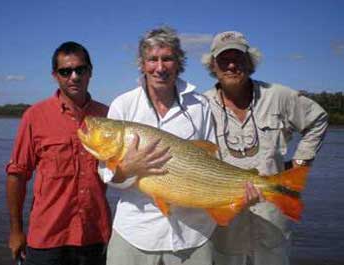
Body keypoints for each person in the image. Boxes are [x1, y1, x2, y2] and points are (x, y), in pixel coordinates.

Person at [202, 31, 328, 265]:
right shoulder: (201, 105)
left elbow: (318, 119)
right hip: (225, 221)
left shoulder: (279, 96)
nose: (231, 65)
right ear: (213, 66)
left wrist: (301, 161)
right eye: (223, 59)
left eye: (238, 58)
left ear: (249, 62)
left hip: (272, 217)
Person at [98, 26, 221, 265]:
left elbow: (212, 163)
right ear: (142, 64)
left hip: (194, 234)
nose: (160, 67)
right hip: (135, 231)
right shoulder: (123, 105)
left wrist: (239, 193)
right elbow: (106, 174)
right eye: (152, 59)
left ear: (179, 63)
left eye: (167, 59)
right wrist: (128, 168)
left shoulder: (200, 105)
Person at [6, 41, 111, 265]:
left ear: (90, 72)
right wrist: (16, 231)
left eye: (80, 69)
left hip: (96, 237)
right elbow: (17, 175)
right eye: (65, 71)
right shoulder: (34, 116)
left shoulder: (108, 116)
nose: (74, 76)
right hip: (47, 239)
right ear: (55, 75)